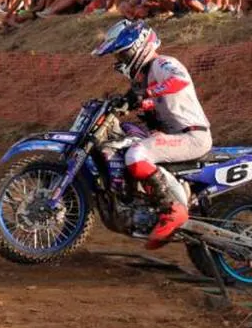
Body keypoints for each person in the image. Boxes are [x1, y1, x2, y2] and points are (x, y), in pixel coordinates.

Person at [91, 20, 212, 248]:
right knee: (127, 140)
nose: (121, 61)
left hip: (192, 136)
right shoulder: (144, 77)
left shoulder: (163, 63)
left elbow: (179, 80)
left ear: (139, 48)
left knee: (136, 155)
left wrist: (146, 93)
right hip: (176, 136)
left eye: (122, 54)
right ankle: (148, 209)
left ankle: (172, 209)